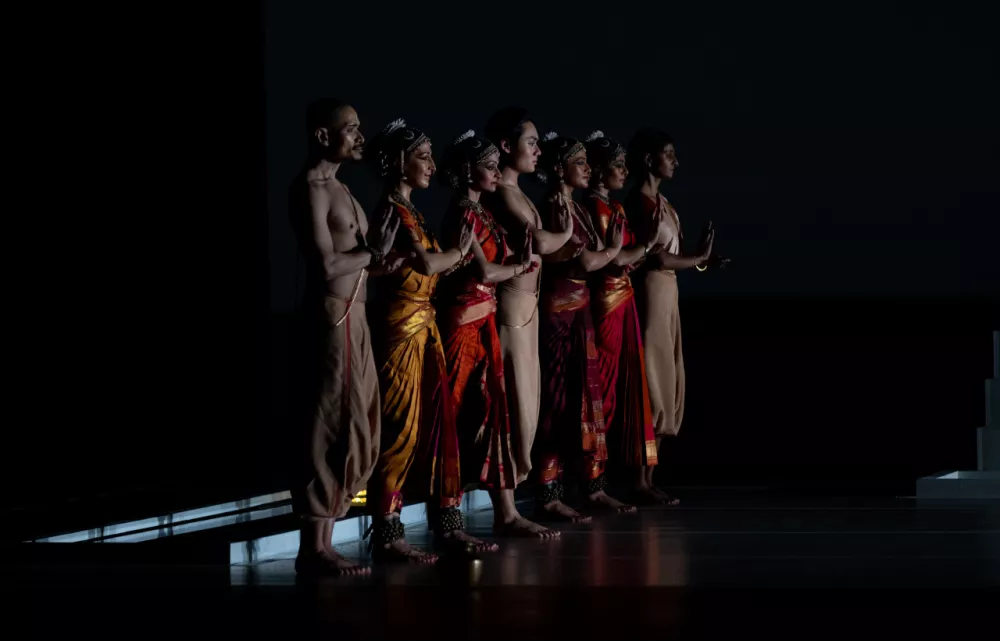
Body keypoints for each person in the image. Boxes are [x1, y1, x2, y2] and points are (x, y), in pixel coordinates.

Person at [362, 119, 499, 562]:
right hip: (401, 327)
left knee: (440, 429)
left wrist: (453, 256)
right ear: (399, 163)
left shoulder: (412, 211)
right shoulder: (393, 210)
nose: (431, 165)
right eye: (422, 157)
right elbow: (425, 264)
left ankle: (448, 525)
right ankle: (386, 532)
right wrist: (459, 254)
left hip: (426, 326)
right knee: (401, 428)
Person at [288, 99, 401, 576]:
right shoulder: (312, 189)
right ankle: (312, 547)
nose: (359, 137)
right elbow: (329, 263)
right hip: (332, 318)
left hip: (357, 317)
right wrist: (373, 253)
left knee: (360, 423)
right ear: (322, 136)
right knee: (329, 424)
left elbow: (363, 260)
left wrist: (385, 260)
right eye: (350, 129)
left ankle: (329, 536)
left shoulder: (344, 190)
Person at [436, 130, 555, 538]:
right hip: (463, 323)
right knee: (452, 416)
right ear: (467, 171)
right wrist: (521, 267)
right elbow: (484, 272)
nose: (494, 172)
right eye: (487, 166)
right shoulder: (463, 213)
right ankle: (448, 521)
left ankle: (506, 512)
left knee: (495, 414)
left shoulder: (480, 211)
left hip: (484, 320)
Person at [532, 131, 633, 519]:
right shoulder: (555, 205)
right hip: (560, 314)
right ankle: (548, 494)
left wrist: (606, 252)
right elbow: (583, 262)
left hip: (581, 311)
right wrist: (611, 250)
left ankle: (592, 486)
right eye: (580, 163)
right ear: (559, 169)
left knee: (588, 400)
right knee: (557, 404)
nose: (588, 168)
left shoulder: (574, 207)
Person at [481, 108, 574, 497]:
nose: (538, 151)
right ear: (506, 145)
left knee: (530, 402)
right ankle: (507, 503)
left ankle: (515, 496)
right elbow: (540, 242)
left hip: (529, 304)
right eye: (531, 142)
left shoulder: (519, 193)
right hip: (512, 306)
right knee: (514, 402)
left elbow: (547, 249)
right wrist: (567, 230)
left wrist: (560, 240)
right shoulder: (502, 194)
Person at [622, 128, 715, 505]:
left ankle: (648, 475)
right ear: (649, 159)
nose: (675, 161)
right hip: (650, 292)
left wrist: (700, 258)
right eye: (668, 154)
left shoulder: (663, 203)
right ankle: (638, 480)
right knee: (653, 382)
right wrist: (698, 261)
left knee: (666, 377)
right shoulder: (641, 203)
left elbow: (670, 256)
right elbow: (655, 256)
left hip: (667, 293)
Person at [581, 130, 666, 504]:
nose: (624, 170)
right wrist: (645, 245)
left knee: (626, 389)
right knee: (605, 391)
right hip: (606, 303)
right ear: (599, 171)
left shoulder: (613, 208)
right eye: (617, 165)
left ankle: (627, 478)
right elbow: (616, 258)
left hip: (623, 300)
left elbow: (626, 256)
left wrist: (637, 250)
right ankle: (594, 482)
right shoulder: (596, 208)